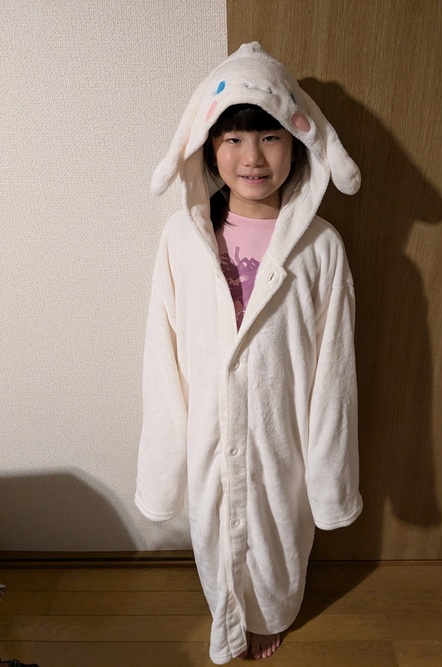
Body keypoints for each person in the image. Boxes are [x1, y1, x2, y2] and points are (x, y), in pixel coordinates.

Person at [135, 42, 363, 664]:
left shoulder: (321, 247)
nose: (252, 156)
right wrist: (164, 462)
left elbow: (335, 373)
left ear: (298, 140)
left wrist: (329, 476)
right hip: (209, 427)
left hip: (281, 430)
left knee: (279, 526)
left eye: (269, 136)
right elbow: (163, 353)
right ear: (208, 146)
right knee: (214, 525)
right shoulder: (182, 239)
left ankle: (272, 610)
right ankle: (227, 609)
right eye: (232, 138)